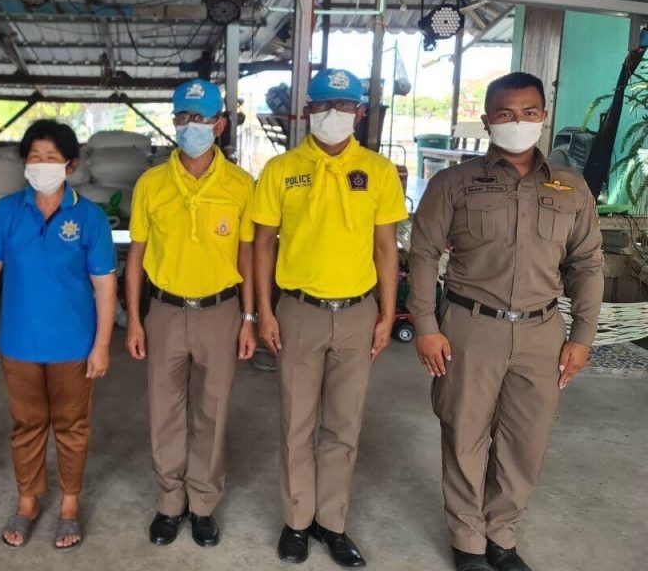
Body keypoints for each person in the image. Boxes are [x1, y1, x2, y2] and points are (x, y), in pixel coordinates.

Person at [408, 72, 603, 571]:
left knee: (526, 442)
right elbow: (424, 254)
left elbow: (586, 264)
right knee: (465, 436)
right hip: (470, 328)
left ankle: (503, 535)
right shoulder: (454, 183)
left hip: (542, 332)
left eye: (529, 112)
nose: (519, 122)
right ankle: (468, 542)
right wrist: (426, 325)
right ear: (488, 120)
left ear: (544, 116)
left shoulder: (571, 188)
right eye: (506, 114)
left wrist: (582, 335)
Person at [252, 68, 407, 566]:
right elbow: (262, 245)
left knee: (344, 424)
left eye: (343, 106)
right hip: (298, 312)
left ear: (359, 113)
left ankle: (332, 523)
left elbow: (386, 247)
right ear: (306, 112)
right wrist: (263, 311)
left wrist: (387, 312)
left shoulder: (379, 171)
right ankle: (297, 520)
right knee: (297, 423)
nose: (333, 114)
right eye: (322, 105)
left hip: (358, 312)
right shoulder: (280, 169)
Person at [0, 120, 116, 551]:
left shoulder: (89, 217)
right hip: (19, 344)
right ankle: (28, 500)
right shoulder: (5, 213)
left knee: (72, 426)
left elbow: (105, 284)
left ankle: (69, 504)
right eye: (34, 157)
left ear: (70, 165)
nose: (42, 165)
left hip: (74, 345)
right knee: (27, 425)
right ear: (23, 163)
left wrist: (102, 345)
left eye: (52, 158)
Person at [125, 79, 257, 549]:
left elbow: (247, 256)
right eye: (183, 117)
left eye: (201, 118)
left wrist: (249, 318)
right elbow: (137, 255)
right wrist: (134, 318)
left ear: (220, 124)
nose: (191, 126)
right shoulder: (151, 183)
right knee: (165, 409)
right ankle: (169, 502)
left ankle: (202, 503)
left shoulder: (240, 184)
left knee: (212, 410)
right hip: (165, 310)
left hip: (221, 313)